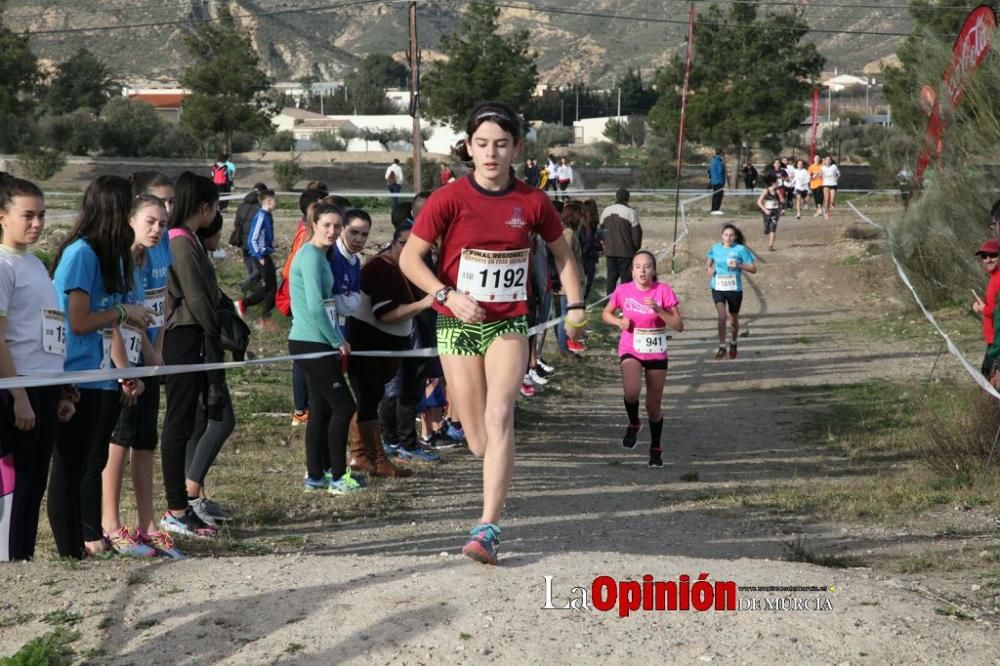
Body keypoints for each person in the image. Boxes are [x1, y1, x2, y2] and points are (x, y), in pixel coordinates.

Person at [400, 101, 585, 565]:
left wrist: (576, 303)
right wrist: (446, 295)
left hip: (508, 323)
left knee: (502, 414)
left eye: (501, 144)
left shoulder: (533, 201)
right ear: (468, 147)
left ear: (516, 148)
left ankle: (487, 527)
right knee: (479, 438)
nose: (491, 153)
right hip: (458, 324)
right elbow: (410, 259)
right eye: (482, 144)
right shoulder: (448, 199)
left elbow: (563, 256)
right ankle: (489, 470)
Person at [49, 175, 153, 558]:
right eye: (127, 210)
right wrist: (124, 311)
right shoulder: (80, 254)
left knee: (93, 461)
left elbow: (110, 324)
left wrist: (127, 371)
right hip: (77, 374)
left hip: (105, 375)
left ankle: (90, 538)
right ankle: (73, 547)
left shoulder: (113, 256)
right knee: (71, 465)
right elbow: (78, 321)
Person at [101, 194, 184, 558]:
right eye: (150, 221)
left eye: (163, 223)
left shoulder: (157, 255)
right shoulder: (117, 260)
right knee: (119, 439)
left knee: (145, 440)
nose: (157, 229)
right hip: (121, 363)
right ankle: (110, 524)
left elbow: (159, 305)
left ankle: (148, 524)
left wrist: (156, 352)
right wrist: (125, 371)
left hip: (146, 357)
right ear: (130, 219)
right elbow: (113, 321)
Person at [0, 178, 77, 561]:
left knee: (35, 483)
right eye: (27, 215)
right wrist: (18, 396)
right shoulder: (2, 266)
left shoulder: (36, 263)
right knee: (19, 483)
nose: (37, 223)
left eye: (42, 215)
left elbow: (47, 328)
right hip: (19, 390)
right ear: (2, 216)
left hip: (45, 387)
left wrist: (61, 389)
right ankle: (11, 558)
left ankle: (23, 557)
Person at [159, 171, 223, 538]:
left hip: (193, 335)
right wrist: (217, 328)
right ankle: (176, 508)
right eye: (213, 207)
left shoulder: (190, 240)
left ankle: (182, 506)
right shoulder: (181, 242)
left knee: (189, 420)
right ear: (204, 207)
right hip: (183, 337)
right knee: (179, 422)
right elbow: (198, 297)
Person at [288, 201, 362, 494]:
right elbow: (315, 307)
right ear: (313, 225)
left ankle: (316, 475)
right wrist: (337, 339)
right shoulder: (309, 256)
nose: (332, 231)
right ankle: (338, 477)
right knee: (344, 406)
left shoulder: (321, 255)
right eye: (326, 225)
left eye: (337, 226)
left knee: (320, 409)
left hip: (317, 340)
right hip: (311, 341)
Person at [349, 223, 435, 470]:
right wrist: (424, 304)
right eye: (406, 244)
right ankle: (367, 456)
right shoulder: (382, 268)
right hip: (370, 347)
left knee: (372, 399)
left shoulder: (401, 268)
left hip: (385, 350)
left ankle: (371, 456)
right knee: (368, 400)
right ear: (396, 243)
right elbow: (385, 314)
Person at [601, 251, 684, 468]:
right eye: (638, 266)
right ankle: (634, 422)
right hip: (631, 348)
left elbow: (678, 325)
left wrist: (659, 310)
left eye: (647, 266)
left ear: (654, 270)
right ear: (632, 270)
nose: (642, 271)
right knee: (631, 391)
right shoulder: (623, 290)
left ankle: (656, 447)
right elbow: (606, 314)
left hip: (656, 351)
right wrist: (618, 323)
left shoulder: (663, 290)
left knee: (653, 407)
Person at [185, 212, 238, 527]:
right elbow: (201, 303)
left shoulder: (195, 252)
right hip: (202, 349)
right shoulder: (186, 248)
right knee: (220, 420)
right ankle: (191, 492)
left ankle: (196, 494)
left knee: (201, 421)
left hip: (206, 348)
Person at [705, 224, 757, 361]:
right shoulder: (716, 247)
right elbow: (709, 259)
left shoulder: (741, 250)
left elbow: (753, 268)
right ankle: (722, 346)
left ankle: (733, 342)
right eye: (726, 235)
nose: (728, 237)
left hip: (734, 289)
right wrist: (708, 268)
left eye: (731, 235)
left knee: (733, 318)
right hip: (718, 286)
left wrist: (739, 265)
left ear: (735, 237)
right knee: (722, 317)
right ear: (722, 236)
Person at [240, 189, 278, 328]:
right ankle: (265, 319)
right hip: (261, 256)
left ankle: (244, 304)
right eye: (274, 199)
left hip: (265, 254)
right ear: (268, 201)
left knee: (270, 287)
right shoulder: (261, 216)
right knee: (271, 288)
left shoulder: (268, 215)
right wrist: (259, 255)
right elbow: (252, 238)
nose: (276, 202)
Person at [601, 188, 642, 294]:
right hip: (626, 252)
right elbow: (637, 234)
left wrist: (604, 244)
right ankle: (625, 303)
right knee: (626, 280)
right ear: (627, 198)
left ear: (616, 197)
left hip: (610, 251)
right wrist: (635, 248)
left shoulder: (606, 211)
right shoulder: (631, 213)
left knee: (611, 279)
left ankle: (609, 303)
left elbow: (601, 230)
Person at [232, 182, 268, 293]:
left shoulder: (242, 205)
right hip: (256, 242)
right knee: (259, 270)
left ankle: (252, 290)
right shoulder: (261, 207)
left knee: (250, 268)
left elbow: (236, 223)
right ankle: (244, 285)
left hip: (243, 241)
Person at [579, 198, 602, 300]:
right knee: (587, 282)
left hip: (585, 256)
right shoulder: (589, 224)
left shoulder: (585, 223)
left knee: (585, 282)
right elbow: (589, 241)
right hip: (587, 257)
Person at [756, 174, 783, 251]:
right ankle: (766, 228)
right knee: (767, 228)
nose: (778, 184)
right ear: (773, 183)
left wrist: (779, 212)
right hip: (767, 211)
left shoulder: (777, 192)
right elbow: (758, 202)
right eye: (777, 183)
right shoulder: (766, 191)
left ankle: (770, 245)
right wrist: (765, 210)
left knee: (773, 227)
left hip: (775, 211)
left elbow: (781, 202)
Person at [821, 155, 840, 220]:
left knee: (832, 200)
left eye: (829, 160)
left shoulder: (834, 166)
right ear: (825, 161)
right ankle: (827, 212)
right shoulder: (823, 167)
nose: (828, 161)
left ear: (831, 161)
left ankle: (832, 203)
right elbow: (820, 174)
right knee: (826, 200)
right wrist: (816, 175)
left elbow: (839, 174)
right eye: (827, 160)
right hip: (826, 184)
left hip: (833, 184)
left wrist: (836, 178)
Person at [709, 148, 726, 215]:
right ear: (721, 153)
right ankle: (716, 209)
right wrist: (722, 181)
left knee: (715, 195)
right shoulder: (719, 161)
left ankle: (714, 209)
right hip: (719, 181)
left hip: (714, 181)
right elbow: (720, 171)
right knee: (718, 196)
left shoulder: (713, 161)